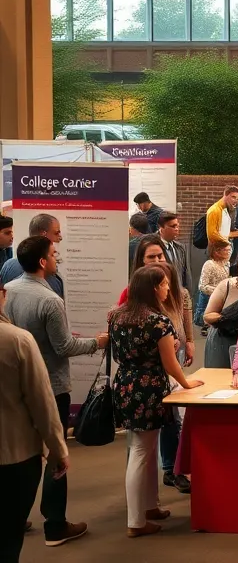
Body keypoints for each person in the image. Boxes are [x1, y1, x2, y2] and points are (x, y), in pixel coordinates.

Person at [4, 236, 103, 548]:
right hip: (51, 386)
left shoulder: (11, 291)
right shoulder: (50, 300)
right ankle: (55, 525)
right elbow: (63, 346)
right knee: (56, 459)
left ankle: (16, 516)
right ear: (43, 262)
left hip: (14, 385)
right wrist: (97, 343)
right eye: (54, 253)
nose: (57, 256)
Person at [109, 264, 204, 538]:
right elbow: (170, 363)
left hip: (126, 384)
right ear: (153, 288)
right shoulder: (158, 322)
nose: (167, 288)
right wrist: (186, 383)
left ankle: (149, 507)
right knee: (141, 452)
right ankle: (136, 521)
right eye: (163, 284)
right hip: (150, 388)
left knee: (145, 450)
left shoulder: (117, 316)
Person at [0, 274, 69, 560]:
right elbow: (42, 403)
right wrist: (57, 448)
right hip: (13, 456)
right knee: (7, 538)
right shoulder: (16, 341)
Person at [0, 214, 65, 298]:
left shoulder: (8, 265)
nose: (60, 238)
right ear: (43, 235)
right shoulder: (50, 274)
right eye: (56, 233)